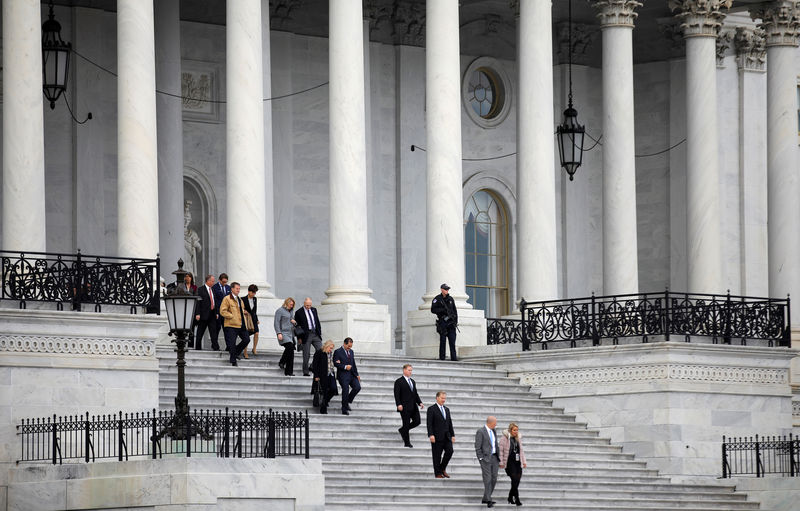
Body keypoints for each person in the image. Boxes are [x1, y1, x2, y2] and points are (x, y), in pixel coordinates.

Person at [219, 281, 250, 366]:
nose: (238, 290)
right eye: (237, 288)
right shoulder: (227, 299)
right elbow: (222, 311)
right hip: (231, 324)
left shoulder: (240, 299)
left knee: (247, 339)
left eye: (239, 289)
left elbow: (241, 310)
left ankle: (235, 353)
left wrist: (244, 312)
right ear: (232, 289)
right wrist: (231, 316)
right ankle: (233, 361)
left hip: (241, 324)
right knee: (232, 343)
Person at [426, 391, 455, 479]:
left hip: (447, 436)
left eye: (445, 398)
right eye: (442, 398)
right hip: (436, 436)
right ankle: (437, 473)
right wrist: (431, 434)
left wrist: (453, 435)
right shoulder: (431, 409)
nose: (444, 400)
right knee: (437, 456)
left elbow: (450, 423)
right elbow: (429, 423)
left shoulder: (447, 409)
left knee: (450, 451)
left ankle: (442, 468)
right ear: (437, 398)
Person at [394, 364, 424, 447]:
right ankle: (407, 443)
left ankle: (403, 430)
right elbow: (396, 394)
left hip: (413, 406)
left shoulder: (413, 381)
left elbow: (415, 393)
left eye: (411, 370)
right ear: (404, 370)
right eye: (409, 370)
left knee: (417, 421)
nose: (410, 372)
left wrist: (419, 402)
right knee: (406, 424)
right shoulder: (399, 381)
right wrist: (398, 404)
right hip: (404, 407)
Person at [499, 422, 527, 507]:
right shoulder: (504, 438)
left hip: (518, 462)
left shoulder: (518, 438)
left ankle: (510, 497)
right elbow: (500, 451)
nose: (516, 432)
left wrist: (524, 461)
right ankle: (517, 498)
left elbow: (521, 451)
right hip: (509, 462)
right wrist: (501, 462)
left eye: (517, 430)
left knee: (517, 480)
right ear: (510, 430)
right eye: (514, 430)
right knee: (514, 479)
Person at [475, 416, 500, 508]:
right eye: (495, 423)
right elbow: (477, 446)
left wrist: (499, 456)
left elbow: (495, 444)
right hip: (485, 459)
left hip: (494, 458)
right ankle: (489, 499)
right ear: (491, 423)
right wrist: (481, 458)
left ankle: (485, 497)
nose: (496, 424)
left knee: (494, 478)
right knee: (487, 478)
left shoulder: (494, 431)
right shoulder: (480, 432)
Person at [294, 297, 322, 376]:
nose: (308, 307)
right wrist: (299, 338)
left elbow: (317, 321)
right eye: (307, 305)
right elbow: (297, 327)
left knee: (321, 351)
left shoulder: (314, 310)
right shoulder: (298, 312)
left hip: (315, 334)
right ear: (304, 304)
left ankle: (312, 366)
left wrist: (319, 333)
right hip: (306, 335)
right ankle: (305, 371)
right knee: (306, 354)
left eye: (309, 305)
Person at [431, 283, 458, 361]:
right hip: (443, 322)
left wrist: (455, 321)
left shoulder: (451, 299)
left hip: (451, 323)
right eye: (445, 289)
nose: (447, 291)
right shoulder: (437, 299)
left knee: (452, 341)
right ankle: (442, 357)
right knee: (443, 340)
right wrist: (443, 310)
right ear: (442, 289)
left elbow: (455, 311)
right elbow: (433, 310)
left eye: (447, 289)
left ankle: (454, 358)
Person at [333, 337, 360, 415]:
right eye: (348, 346)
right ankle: (344, 408)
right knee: (345, 389)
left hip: (352, 374)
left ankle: (347, 401)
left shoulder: (351, 352)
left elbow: (353, 364)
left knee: (357, 387)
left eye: (351, 346)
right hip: (343, 375)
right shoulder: (338, 352)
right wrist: (345, 367)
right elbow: (336, 363)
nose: (349, 348)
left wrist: (357, 374)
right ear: (344, 344)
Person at [311, 340, 338, 414]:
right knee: (324, 392)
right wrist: (316, 375)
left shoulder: (331, 354)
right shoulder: (319, 352)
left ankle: (325, 401)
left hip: (331, 374)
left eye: (332, 348)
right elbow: (315, 365)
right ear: (326, 346)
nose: (331, 349)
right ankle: (323, 409)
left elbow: (332, 362)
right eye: (330, 348)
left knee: (333, 389)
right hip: (322, 375)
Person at [194, 275, 220, 351]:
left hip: (212, 314)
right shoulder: (200, 289)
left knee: (213, 332)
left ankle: (215, 347)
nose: (213, 282)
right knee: (200, 332)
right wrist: (197, 313)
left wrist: (217, 313)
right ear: (207, 281)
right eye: (212, 281)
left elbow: (215, 302)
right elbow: (198, 302)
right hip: (203, 314)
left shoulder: (213, 290)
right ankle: (198, 347)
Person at [274, 297, 297, 376]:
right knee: (290, 347)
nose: (291, 306)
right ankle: (282, 362)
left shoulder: (291, 311)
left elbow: (291, 321)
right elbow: (276, 323)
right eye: (290, 304)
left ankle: (289, 372)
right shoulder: (280, 311)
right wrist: (278, 333)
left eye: (292, 305)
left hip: (290, 334)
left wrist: (294, 322)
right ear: (286, 303)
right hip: (283, 333)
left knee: (291, 353)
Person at [242, 284, 260, 358]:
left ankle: (254, 348)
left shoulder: (255, 299)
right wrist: (243, 311)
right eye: (253, 292)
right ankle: (245, 351)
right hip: (247, 319)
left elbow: (255, 310)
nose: (254, 294)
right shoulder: (243, 299)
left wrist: (257, 319)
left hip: (253, 318)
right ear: (249, 291)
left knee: (256, 333)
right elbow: (240, 308)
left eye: (255, 292)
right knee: (247, 335)